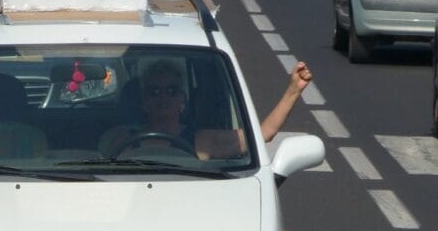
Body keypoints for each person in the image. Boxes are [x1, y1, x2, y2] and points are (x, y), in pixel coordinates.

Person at [100, 59, 313, 156]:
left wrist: (293, 90)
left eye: (171, 91)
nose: (162, 97)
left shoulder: (201, 141)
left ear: (182, 100)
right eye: (154, 91)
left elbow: (263, 134)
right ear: (144, 101)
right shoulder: (120, 140)